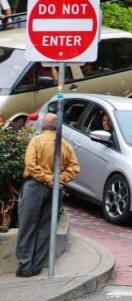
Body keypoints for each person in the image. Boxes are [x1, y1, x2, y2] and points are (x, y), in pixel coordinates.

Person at [15, 113, 79, 277]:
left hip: (34, 186)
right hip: (54, 190)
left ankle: (25, 265)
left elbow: (30, 164)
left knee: (27, 226)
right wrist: (57, 179)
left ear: (43, 125)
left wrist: (47, 178)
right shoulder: (65, 145)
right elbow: (74, 169)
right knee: (46, 227)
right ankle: (36, 266)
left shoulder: (36, 141)